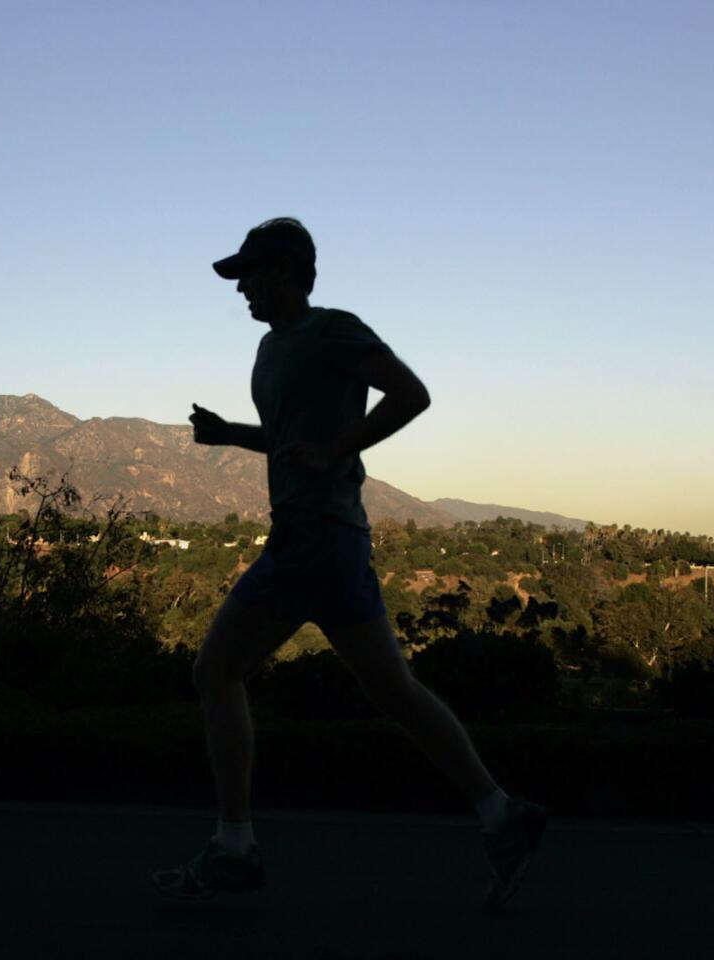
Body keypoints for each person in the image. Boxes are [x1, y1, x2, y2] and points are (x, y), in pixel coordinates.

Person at [150, 218, 546, 906]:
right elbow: (288, 435)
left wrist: (336, 452)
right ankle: (500, 812)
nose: (240, 286)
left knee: (215, 671)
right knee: (393, 691)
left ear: (287, 271)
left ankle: (235, 848)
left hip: (311, 536)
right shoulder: (269, 349)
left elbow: (410, 394)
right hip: (335, 542)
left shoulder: (333, 329)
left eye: (249, 272)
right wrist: (231, 436)